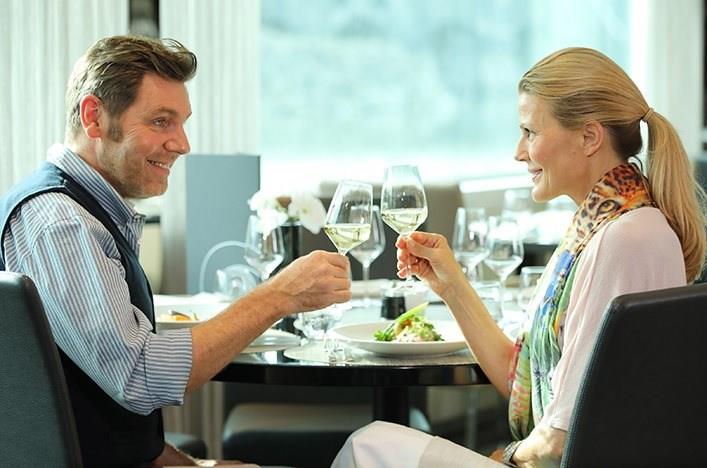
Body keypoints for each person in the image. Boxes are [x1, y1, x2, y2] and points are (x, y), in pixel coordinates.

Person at [333, 47, 706, 467]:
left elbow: (561, 437)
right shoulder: (616, 224)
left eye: (530, 132)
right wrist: (450, 285)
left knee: (369, 444)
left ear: (589, 137)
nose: (519, 151)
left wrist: (504, 456)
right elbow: (525, 387)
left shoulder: (622, 240)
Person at [0, 35, 350, 468]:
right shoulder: (63, 223)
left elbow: (97, 410)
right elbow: (138, 377)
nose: (182, 144)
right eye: (161, 121)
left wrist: (191, 465)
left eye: (182, 123)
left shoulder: (82, 212)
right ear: (94, 117)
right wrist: (281, 295)